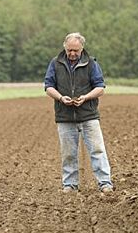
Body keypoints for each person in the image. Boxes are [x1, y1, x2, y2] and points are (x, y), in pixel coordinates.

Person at [44, 32, 113, 194]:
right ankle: (70, 185)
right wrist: (61, 98)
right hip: (65, 116)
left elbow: (100, 88)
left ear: (82, 48)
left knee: (97, 150)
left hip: (88, 115)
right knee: (68, 153)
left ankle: (105, 182)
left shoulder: (91, 64)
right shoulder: (55, 63)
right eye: (69, 50)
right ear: (64, 47)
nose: (72, 54)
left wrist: (86, 97)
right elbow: (48, 86)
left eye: (76, 50)